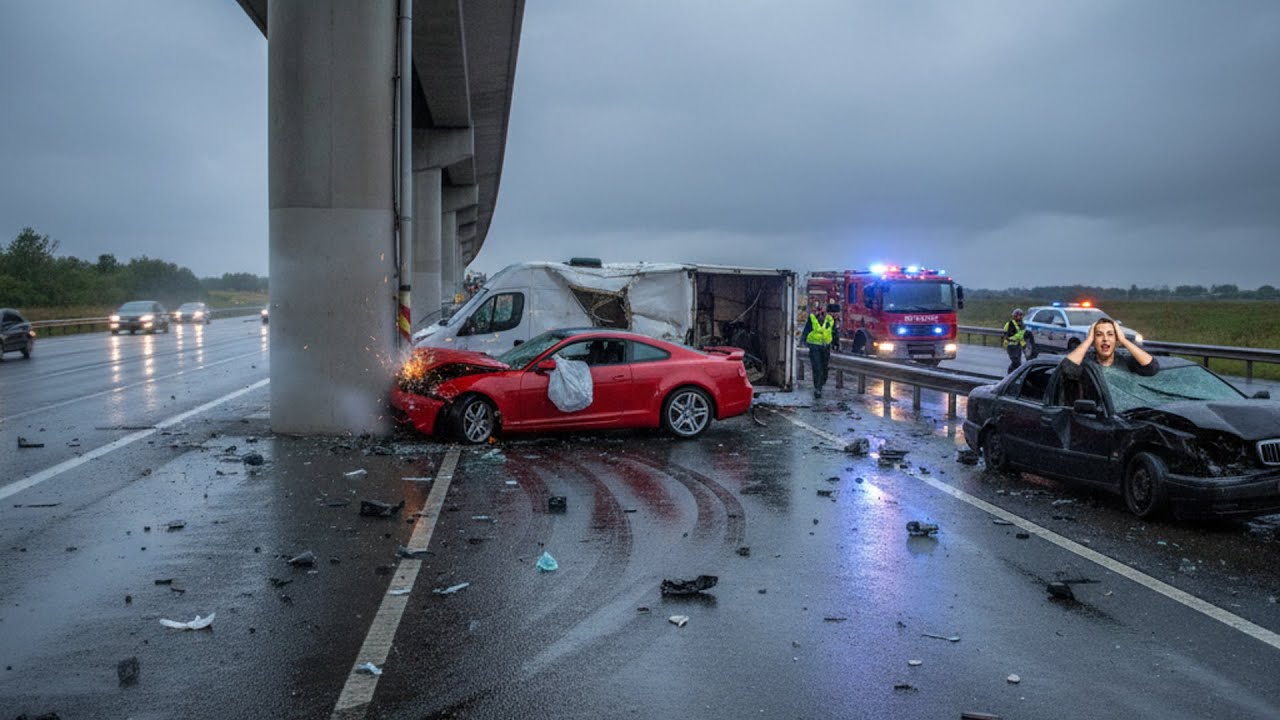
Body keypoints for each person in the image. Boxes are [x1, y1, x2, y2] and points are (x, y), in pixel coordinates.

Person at [1060, 317, 1158, 379]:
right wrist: (1088, 340)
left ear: (1116, 338)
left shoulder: (1126, 361)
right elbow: (1066, 368)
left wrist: (1123, 340)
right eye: (1099, 335)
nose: (1105, 339)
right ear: (1094, 339)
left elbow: (1151, 368)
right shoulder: (1087, 364)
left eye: (1110, 334)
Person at [806, 302, 837, 398]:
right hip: (814, 347)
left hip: (825, 347)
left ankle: (821, 383)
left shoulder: (830, 320)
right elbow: (807, 330)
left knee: (824, 369)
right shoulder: (812, 319)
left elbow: (834, 332)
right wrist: (803, 341)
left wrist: (836, 344)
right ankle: (817, 389)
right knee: (817, 368)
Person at [1003, 308, 1028, 374]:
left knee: (1018, 363)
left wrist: (1024, 345)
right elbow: (1006, 334)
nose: (1019, 317)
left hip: (1018, 346)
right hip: (1011, 346)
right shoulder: (1009, 324)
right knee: (1015, 362)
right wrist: (1008, 340)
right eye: (1018, 315)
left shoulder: (1022, 325)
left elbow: (1021, 337)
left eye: (1021, 315)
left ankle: (1015, 375)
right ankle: (1010, 374)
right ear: (1014, 316)